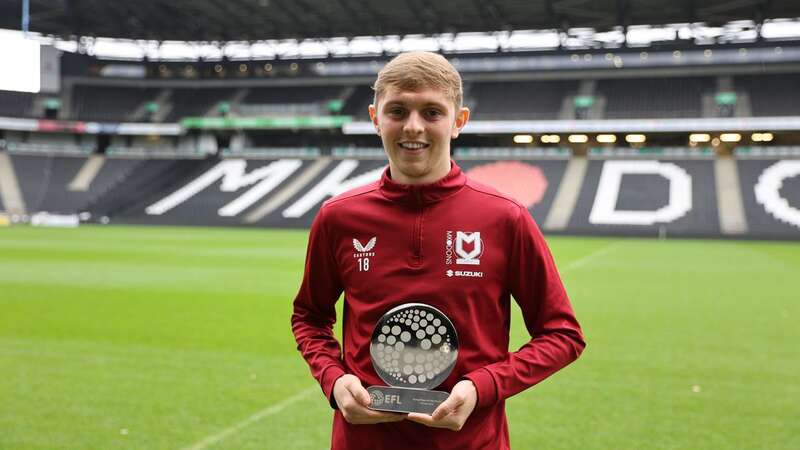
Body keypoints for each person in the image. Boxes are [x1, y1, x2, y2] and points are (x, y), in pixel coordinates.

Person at [291, 51, 585, 450]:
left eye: (432, 112)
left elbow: (562, 334)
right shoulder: (338, 217)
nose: (413, 127)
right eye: (398, 111)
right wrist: (334, 379)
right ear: (375, 118)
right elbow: (309, 316)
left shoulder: (505, 217)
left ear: (458, 121)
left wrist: (483, 387)